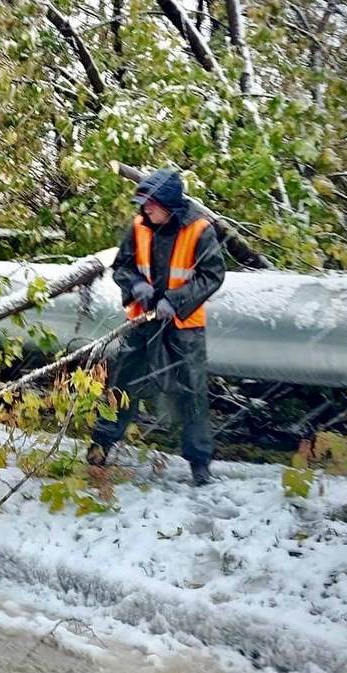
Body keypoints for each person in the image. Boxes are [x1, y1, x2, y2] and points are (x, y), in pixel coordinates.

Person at [87, 168, 226, 486]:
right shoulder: (138, 226)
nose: (145, 209)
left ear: (169, 204)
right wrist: (136, 285)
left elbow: (212, 275)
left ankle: (200, 465)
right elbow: (122, 265)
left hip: (183, 326)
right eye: (144, 203)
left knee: (191, 393)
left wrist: (175, 300)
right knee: (122, 385)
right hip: (142, 321)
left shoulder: (199, 230)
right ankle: (100, 447)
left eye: (151, 203)